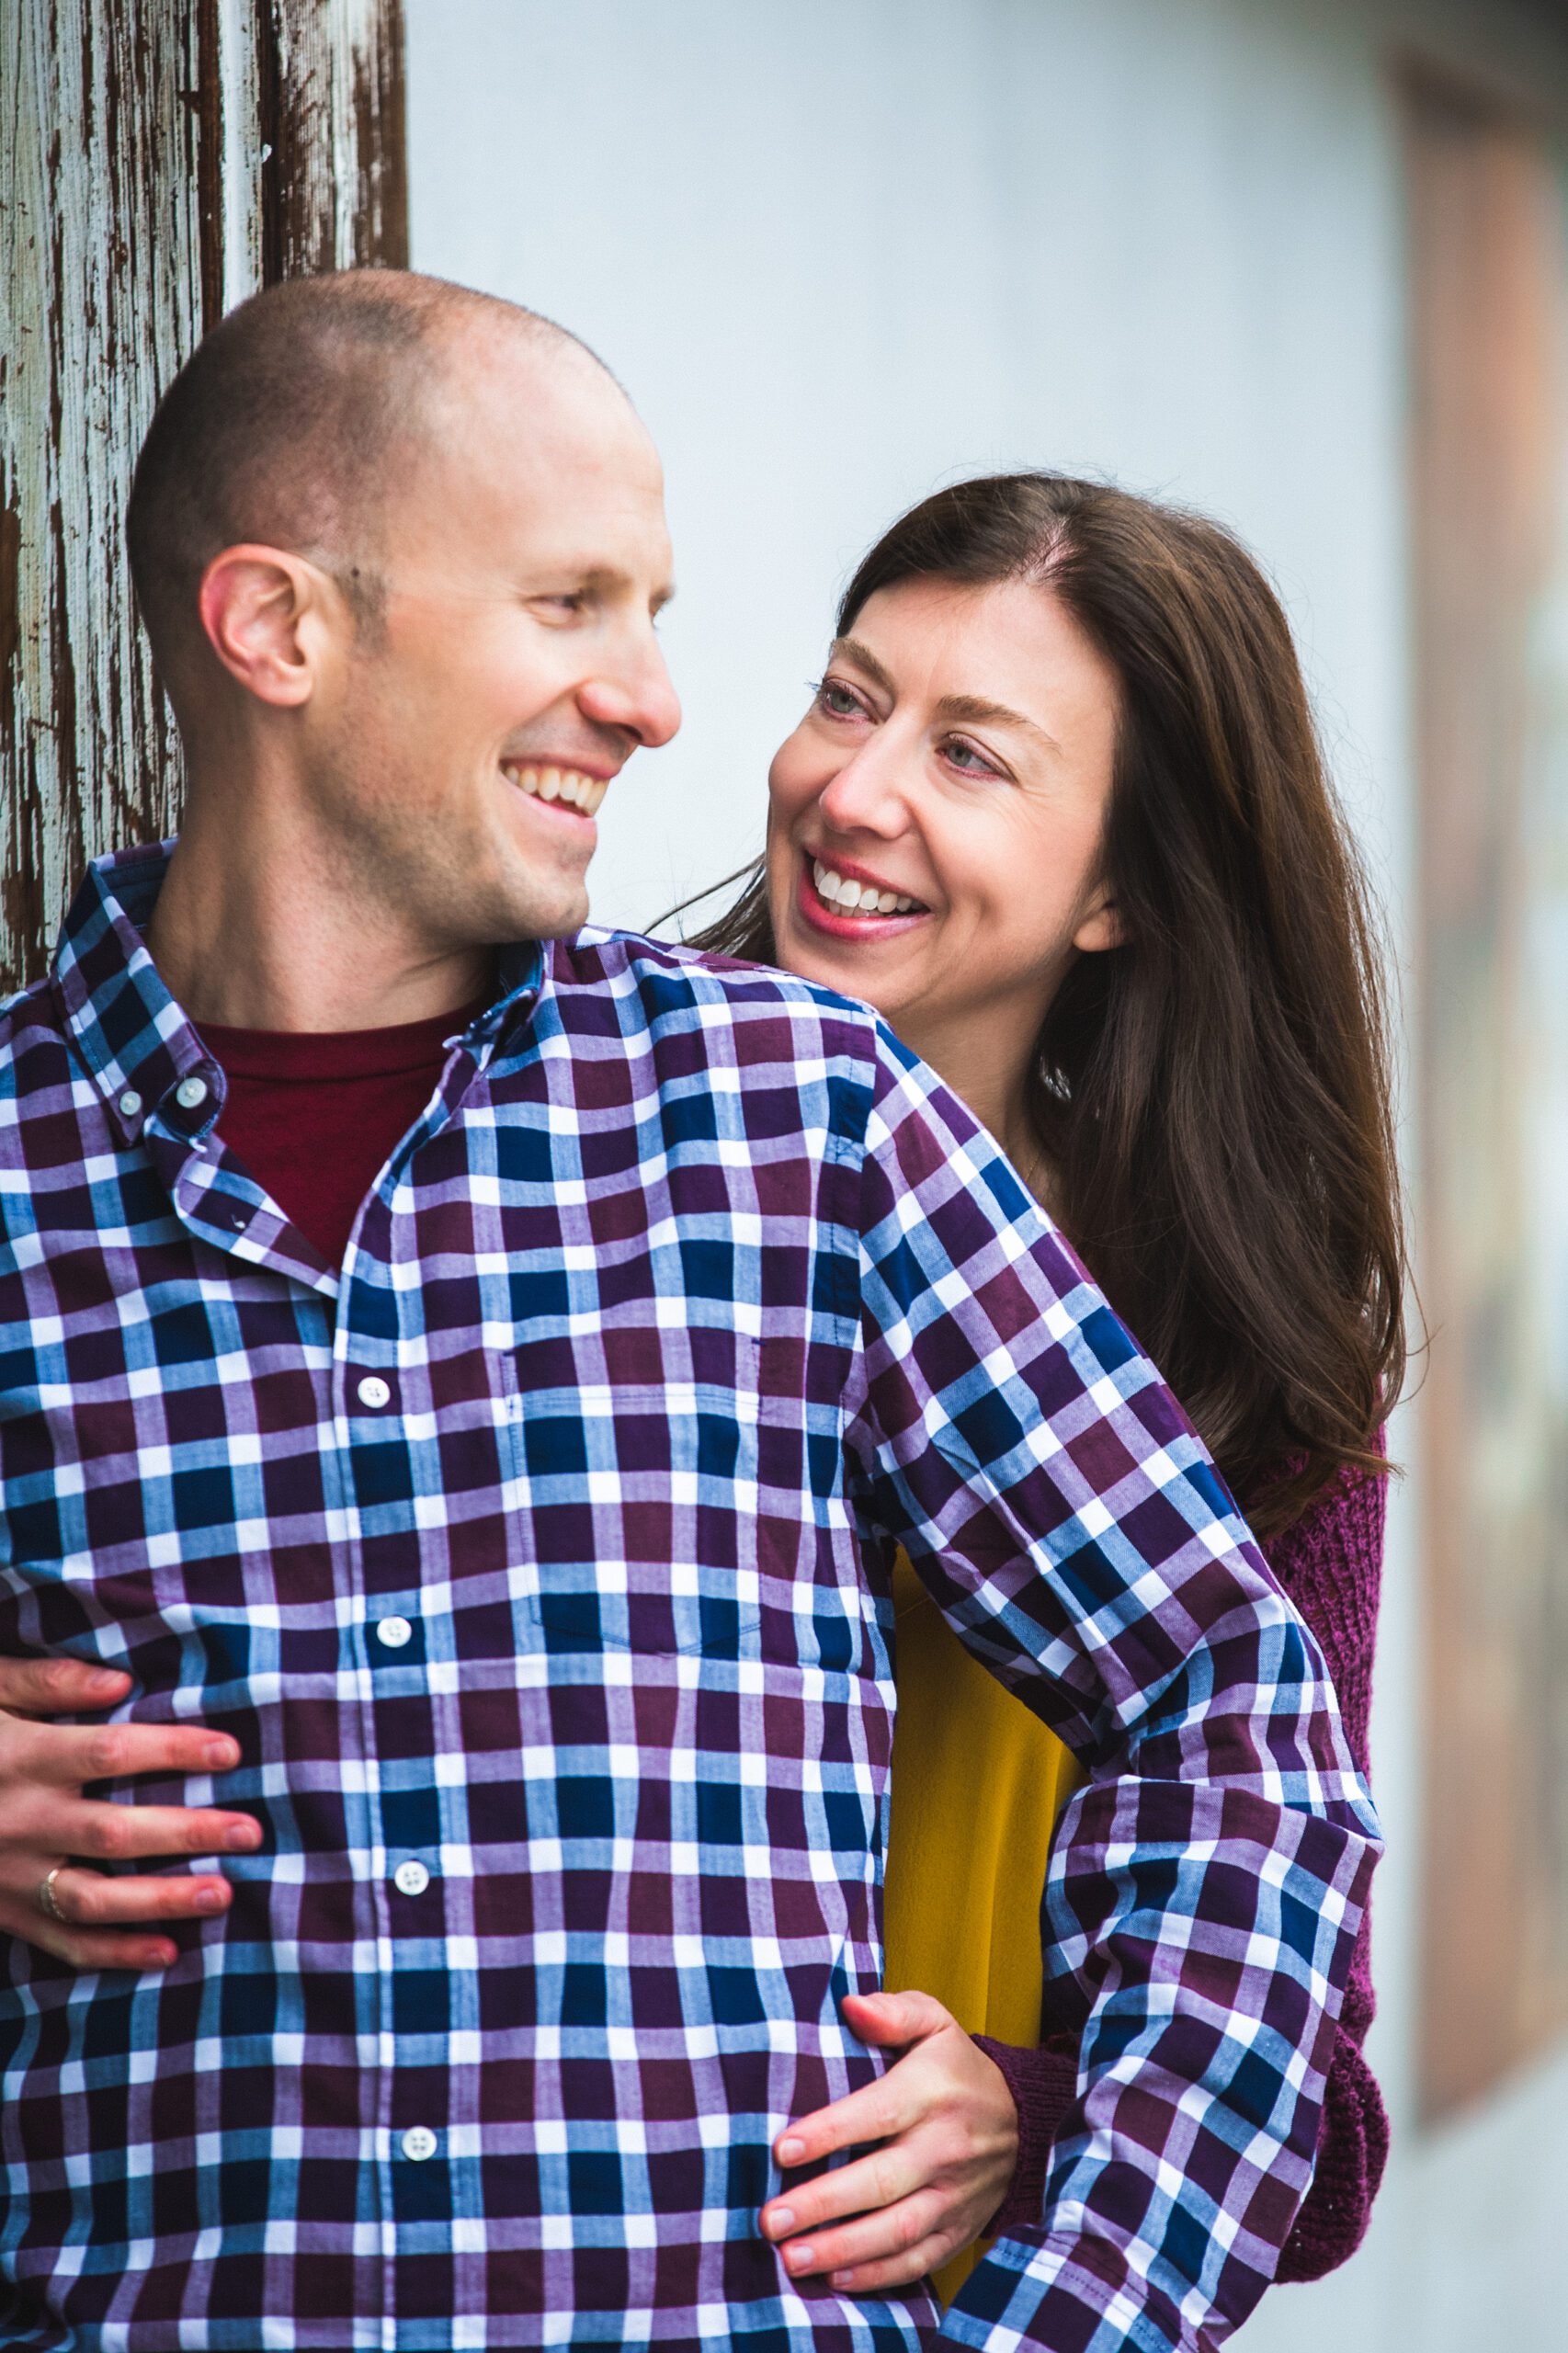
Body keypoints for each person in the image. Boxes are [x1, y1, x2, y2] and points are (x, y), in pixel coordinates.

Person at [0, 271, 1379, 2353]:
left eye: (976, 755)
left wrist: (1063, 2262)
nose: (663, 707)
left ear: (1117, 897)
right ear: (280, 628)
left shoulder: (803, 1133)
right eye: (573, 606)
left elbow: (1238, 1740)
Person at [681, 473, 1403, 2300]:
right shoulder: (568, 1161)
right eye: (851, 697)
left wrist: (1028, 2109)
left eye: (972, 757)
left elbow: (1313, 2121)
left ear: (1124, 894)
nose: (856, 791)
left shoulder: (1236, 1375)